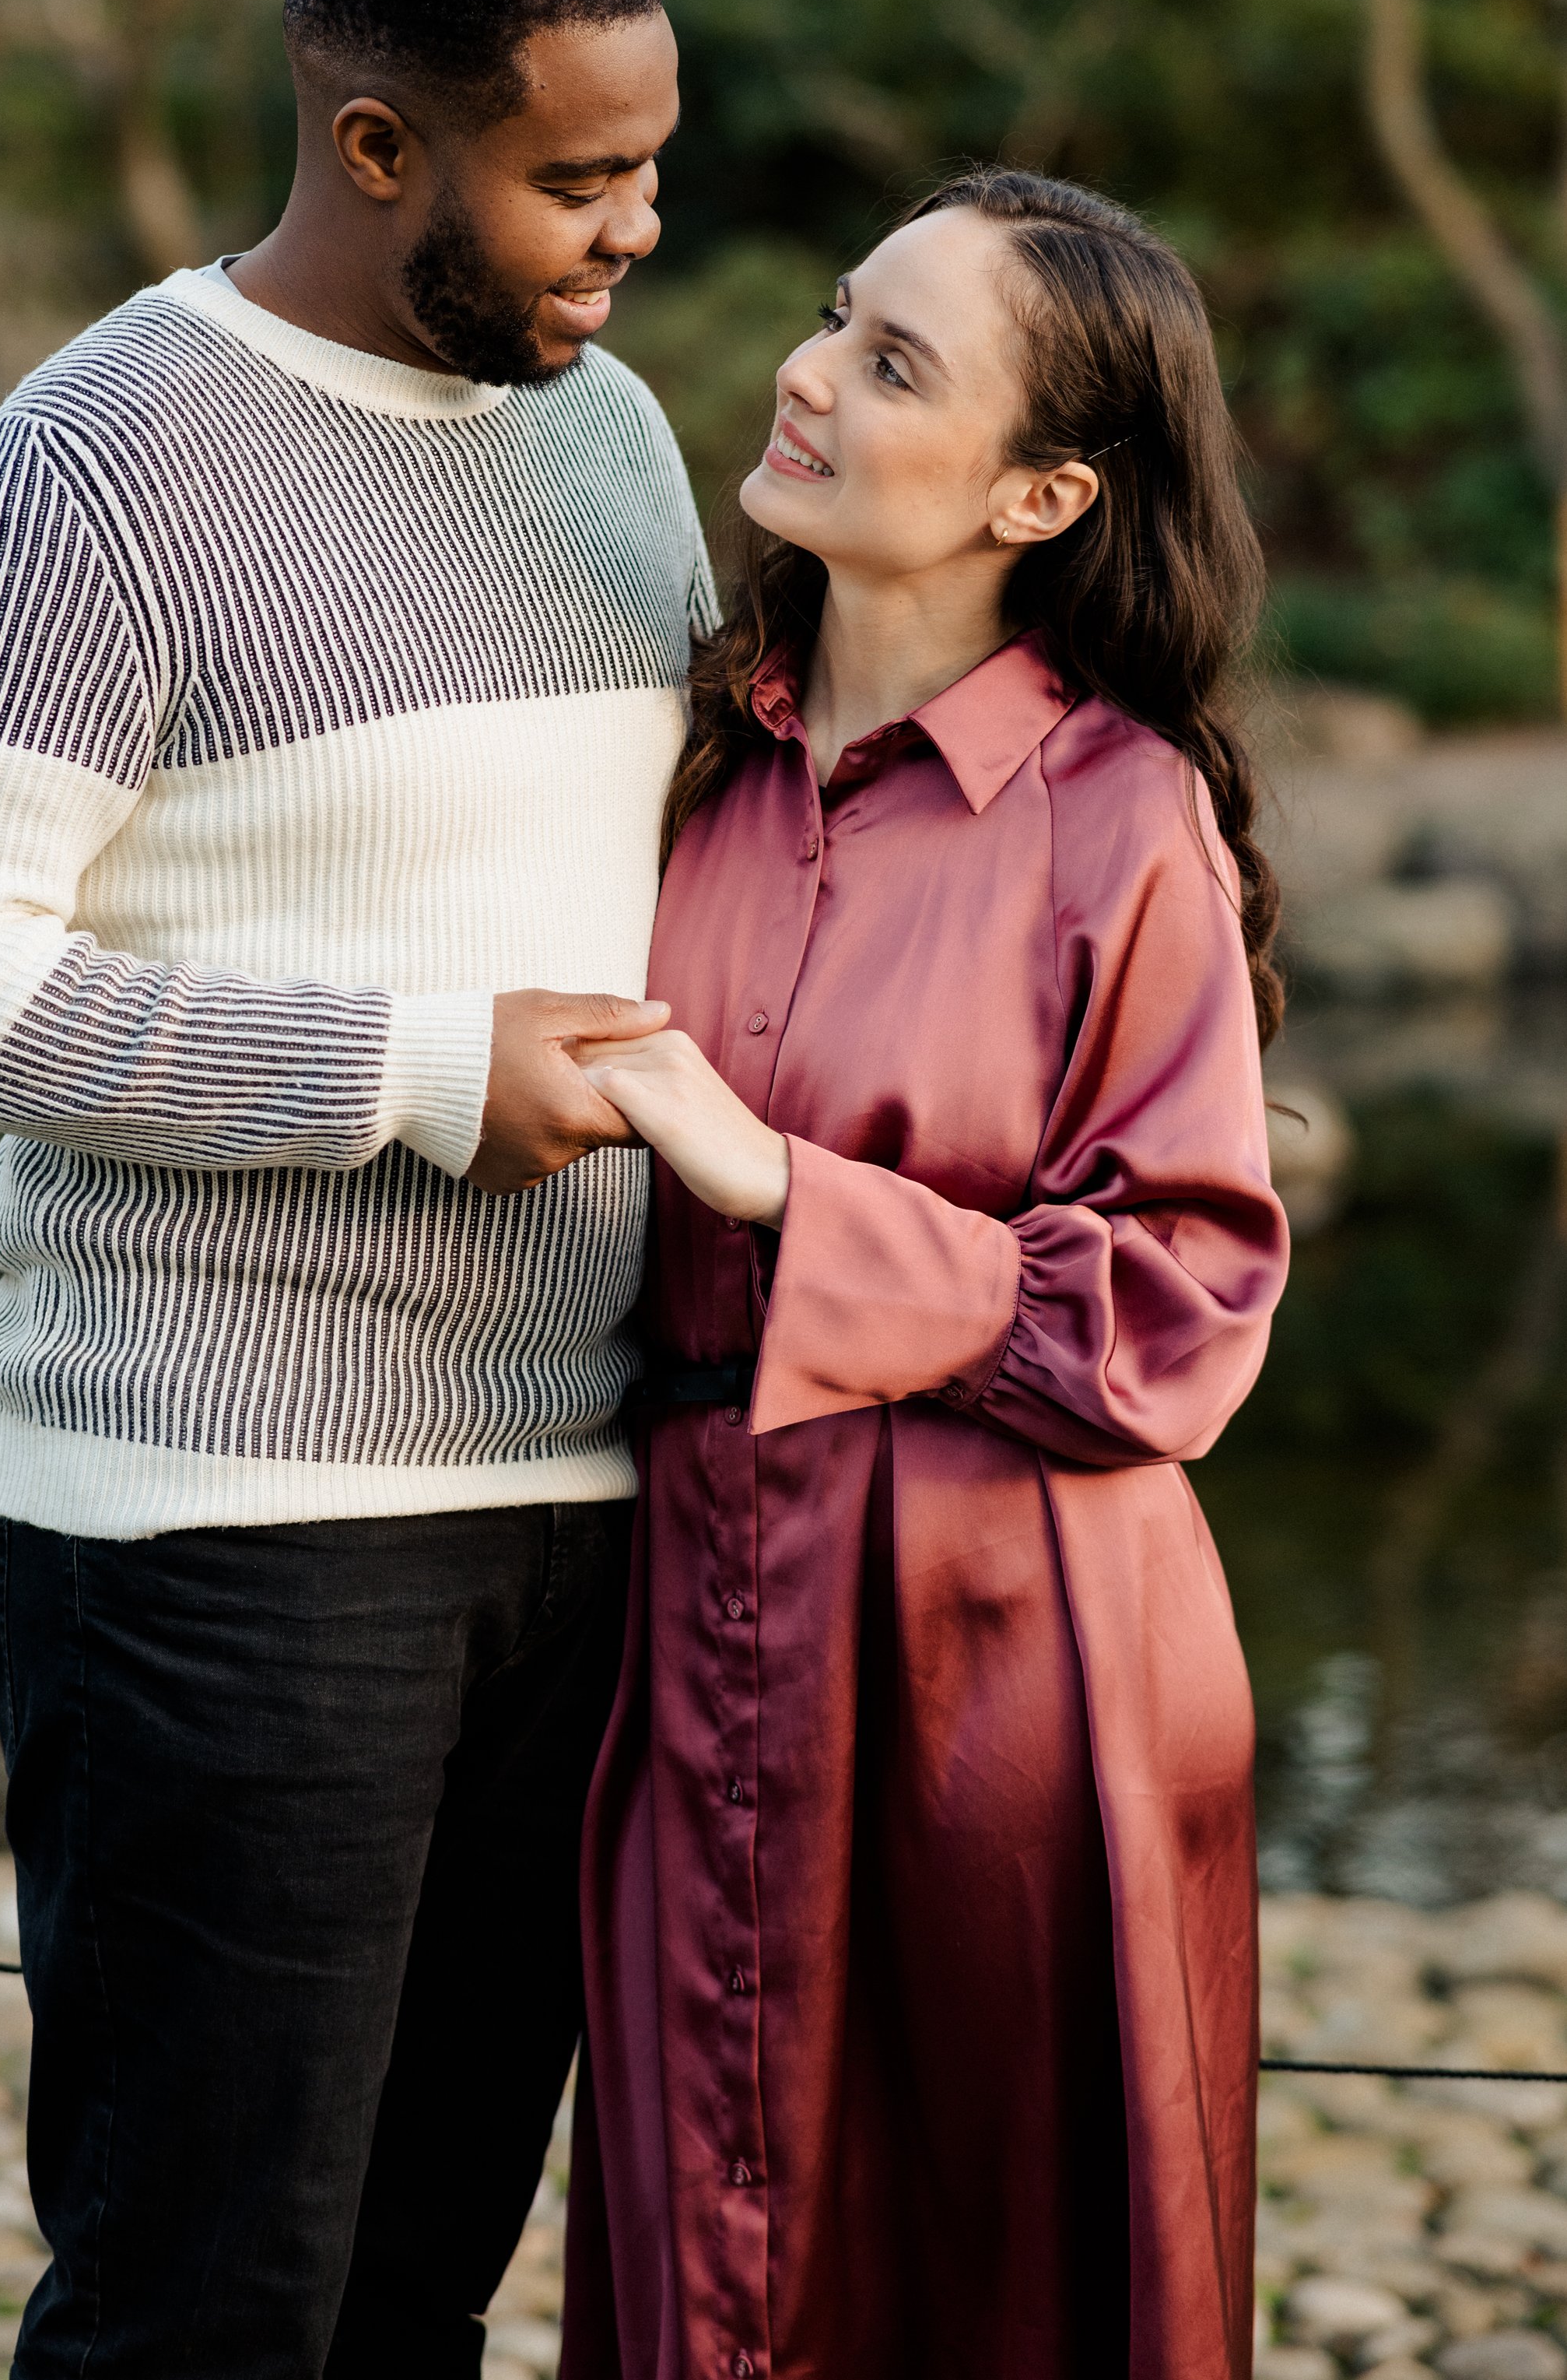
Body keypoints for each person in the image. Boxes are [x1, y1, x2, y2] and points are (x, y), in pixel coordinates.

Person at [0, 0, 713, 2380]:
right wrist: (414, 1077)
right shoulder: (107, 461)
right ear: (377, 145)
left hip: (576, 1496)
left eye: (651, 164)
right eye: (577, 175)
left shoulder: (612, 434)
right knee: (208, 2308)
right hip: (225, 1521)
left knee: (415, 2293)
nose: (636, 227)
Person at [562, 170, 1292, 2380]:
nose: (804, 369)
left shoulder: (1116, 811)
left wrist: (782, 1189)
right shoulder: (671, 763)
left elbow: (1180, 1305)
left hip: (1020, 1639)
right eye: (827, 316)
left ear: (1042, 488)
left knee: (1004, 2268)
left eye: (895, 360)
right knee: (706, 2243)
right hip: (689, 1587)